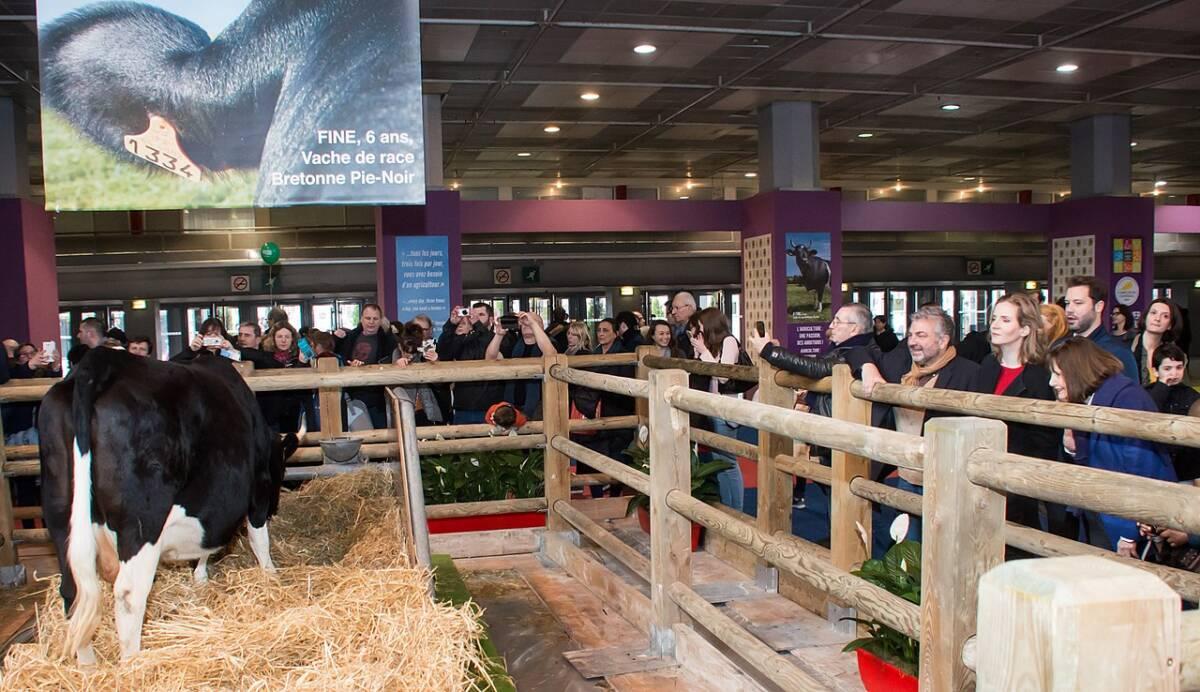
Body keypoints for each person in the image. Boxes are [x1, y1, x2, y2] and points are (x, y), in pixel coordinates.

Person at [855, 306, 979, 540]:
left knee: (943, 546)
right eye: (911, 335)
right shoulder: (901, 366)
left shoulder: (969, 373)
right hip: (906, 477)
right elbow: (857, 351)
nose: (912, 341)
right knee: (908, 548)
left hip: (947, 479)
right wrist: (868, 369)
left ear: (943, 341)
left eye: (921, 335)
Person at [1048, 337, 1175, 554]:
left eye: (1058, 374)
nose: (1052, 382)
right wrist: (1071, 445)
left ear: (1079, 372)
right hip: (1102, 511)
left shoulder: (1127, 399)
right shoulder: (1091, 399)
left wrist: (1128, 534)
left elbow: (1142, 469)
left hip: (1127, 521)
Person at [970, 293, 1063, 543]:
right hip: (983, 474)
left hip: (1021, 484)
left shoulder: (1042, 375)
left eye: (1005, 319)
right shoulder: (988, 365)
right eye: (994, 318)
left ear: (1024, 329)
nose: (996, 325)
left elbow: (1045, 440)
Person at [689, 307, 754, 512]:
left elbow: (723, 376)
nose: (698, 330)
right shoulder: (712, 345)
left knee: (728, 462)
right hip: (712, 407)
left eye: (700, 325)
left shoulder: (729, 341)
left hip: (726, 409)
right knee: (718, 462)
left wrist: (704, 351)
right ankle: (728, 508)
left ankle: (737, 510)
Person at [439, 302, 506, 424]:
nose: (475, 318)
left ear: (490, 319)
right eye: (472, 314)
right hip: (463, 406)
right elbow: (444, 353)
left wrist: (477, 325)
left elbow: (492, 348)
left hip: (490, 406)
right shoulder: (463, 340)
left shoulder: (498, 336)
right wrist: (451, 324)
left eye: (481, 315)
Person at [332, 303, 397, 429]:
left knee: (380, 435)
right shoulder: (349, 337)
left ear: (381, 320)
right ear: (361, 319)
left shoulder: (388, 340)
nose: (371, 322)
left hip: (377, 398)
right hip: (352, 394)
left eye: (375, 318)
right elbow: (335, 355)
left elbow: (393, 357)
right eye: (368, 318)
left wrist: (388, 331)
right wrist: (348, 364)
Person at [1063, 275, 1138, 382]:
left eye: (1078, 303)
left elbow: (1131, 396)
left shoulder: (1118, 354)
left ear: (1099, 306)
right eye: (1067, 303)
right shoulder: (1059, 348)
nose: (1069, 309)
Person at [240, 321, 308, 433]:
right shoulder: (265, 356)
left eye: (287, 337)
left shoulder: (299, 357)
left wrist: (302, 362)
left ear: (292, 339)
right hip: (268, 411)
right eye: (279, 336)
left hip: (292, 410)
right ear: (273, 338)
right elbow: (245, 353)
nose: (283, 340)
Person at [1145, 344, 1200, 481]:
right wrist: (1162, 386)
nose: (1174, 374)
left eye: (1179, 368)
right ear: (1155, 371)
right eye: (1167, 368)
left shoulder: (1191, 395)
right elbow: (1147, 414)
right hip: (1156, 466)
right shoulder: (1146, 393)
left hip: (1186, 468)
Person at [487, 311, 556, 420]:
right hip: (512, 409)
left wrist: (532, 323)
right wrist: (499, 334)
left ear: (541, 326)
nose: (526, 324)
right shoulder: (513, 344)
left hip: (540, 409)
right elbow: (490, 359)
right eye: (523, 322)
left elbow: (551, 355)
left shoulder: (549, 344)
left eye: (531, 322)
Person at [1132, 298, 1183, 386]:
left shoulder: (1172, 352)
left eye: (1165, 316)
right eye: (1153, 313)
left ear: (1170, 325)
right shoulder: (1127, 346)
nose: (1157, 319)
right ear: (1146, 317)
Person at [173, 317, 237, 362]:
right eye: (209, 334)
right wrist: (191, 350)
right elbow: (172, 364)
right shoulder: (197, 353)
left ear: (222, 336)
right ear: (202, 336)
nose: (212, 338)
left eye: (216, 334)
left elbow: (242, 361)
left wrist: (231, 350)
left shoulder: (226, 352)